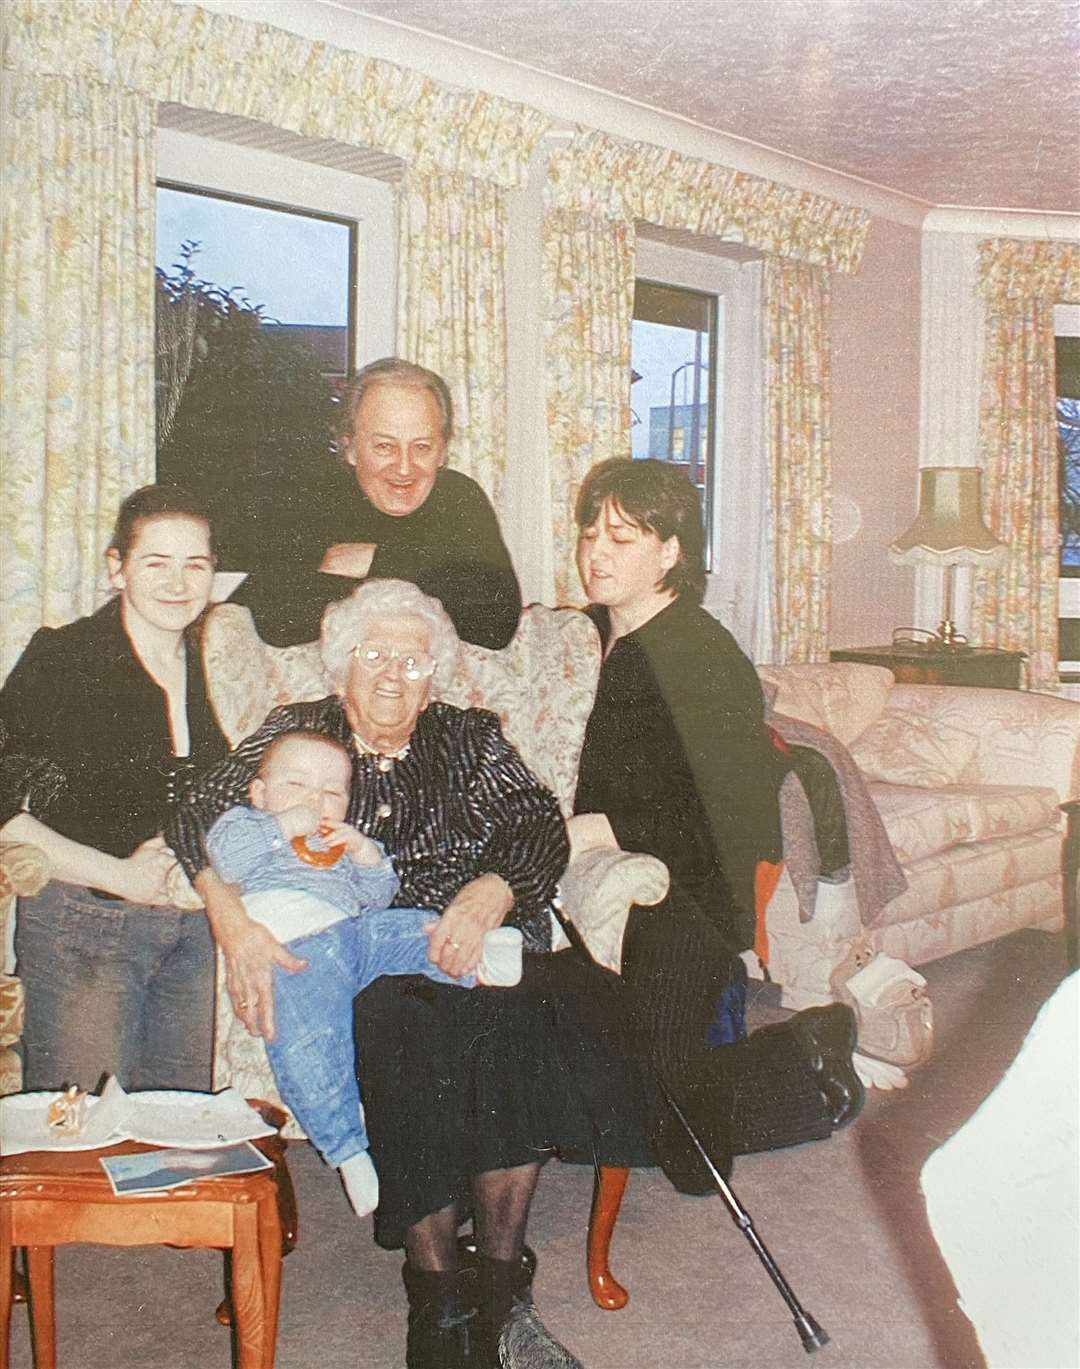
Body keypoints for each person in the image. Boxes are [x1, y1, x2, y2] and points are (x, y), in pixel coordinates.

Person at [167, 578, 639, 1368]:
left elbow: (534, 822)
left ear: (437, 673)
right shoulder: (299, 731)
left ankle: (501, 1290)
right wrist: (229, 915)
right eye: (375, 654)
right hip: (357, 944)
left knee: (513, 1011)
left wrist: (491, 892)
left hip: (471, 933)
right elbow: (196, 809)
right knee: (398, 1023)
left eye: (414, 660)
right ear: (341, 662)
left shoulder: (469, 738)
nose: (393, 674)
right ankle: (437, 1294)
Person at [570, 458, 864, 1178]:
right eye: (587, 533)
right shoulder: (582, 636)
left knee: (690, 1160)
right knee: (602, 1101)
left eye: (621, 538)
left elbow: (728, 810)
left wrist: (603, 828)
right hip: (599, 880)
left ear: (669, 552)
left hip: (686, 902)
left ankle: (806, 1052)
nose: (595, 552)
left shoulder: (699, 653)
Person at [205, 727, 523, 1218]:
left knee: (411, 928)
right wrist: (285, 822)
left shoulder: (338, 844)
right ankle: (347, 1150)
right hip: (295, 953)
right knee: (308, 1046)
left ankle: (479, 957)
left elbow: (376, 896)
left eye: (332, 792)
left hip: (353, 934)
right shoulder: (244, 823)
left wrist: (367, 855)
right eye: (296, 786)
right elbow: (225, 858)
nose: (316, 801)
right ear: (259, 792)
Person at [0, 484, 229, 1092]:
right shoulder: (64, 658)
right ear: (116, 568)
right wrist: (117, 875)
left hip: (187, 931)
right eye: (156, 562)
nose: (178, 582)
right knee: (80, 1143)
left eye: (196, 564)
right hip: (83, 927)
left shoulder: (216, 662)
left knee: (173, 1138)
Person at [232, 357, 522, 650]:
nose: (405, 468)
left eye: (422, 447)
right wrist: (433, 573)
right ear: (351, 448)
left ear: (443, 452)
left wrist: (378, 560)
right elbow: (276, 620)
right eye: (385, 446)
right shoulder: (312, 498)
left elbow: (496, 625)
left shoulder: (459, 499)